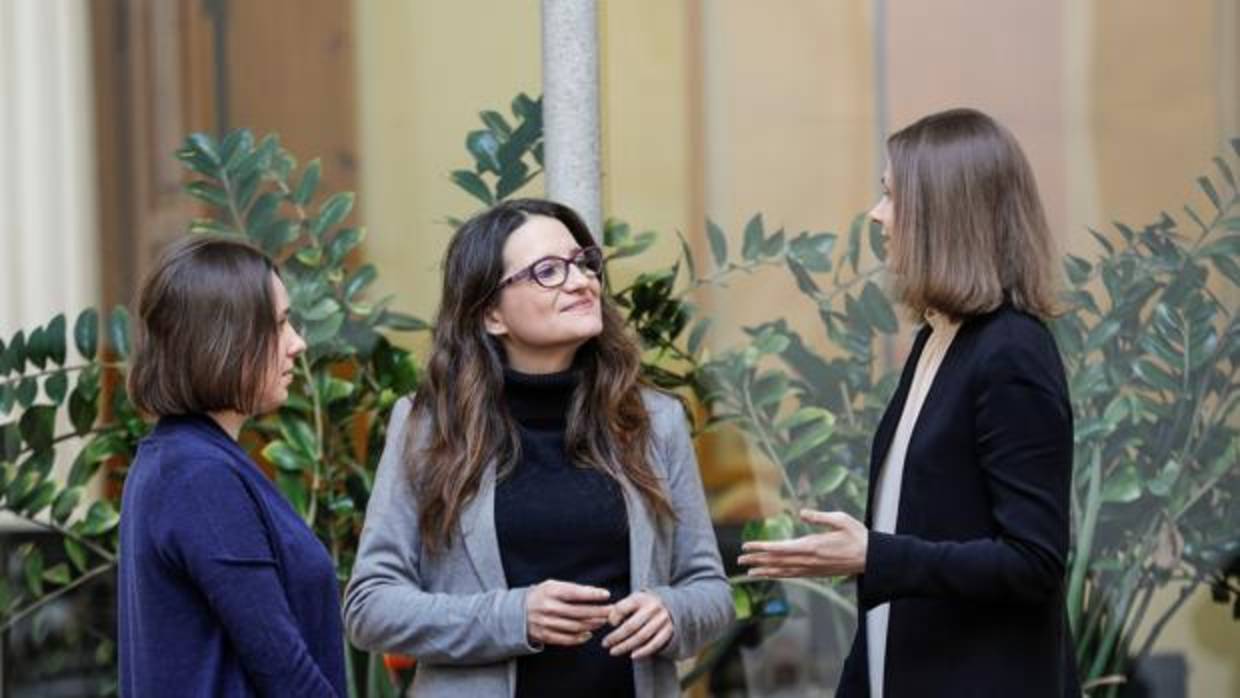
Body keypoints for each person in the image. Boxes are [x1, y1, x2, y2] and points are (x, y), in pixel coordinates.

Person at [738, 108, 1080, 697]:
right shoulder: (936, 338)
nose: (877, 216)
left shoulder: (1011, 351)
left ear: (946, 215)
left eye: (893, 197)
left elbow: (1033, 563)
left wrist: (875, 554)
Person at [343, 198, 733, 697]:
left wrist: (673, 612)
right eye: (548, 271)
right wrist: (515, 617)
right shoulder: (428, 425)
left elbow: (710, 591)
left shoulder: (655, 420)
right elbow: (371, 608)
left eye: (582, 262)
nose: (580, 281)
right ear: (491, 316)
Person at [118, 236, 345, 697]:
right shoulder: (198, 476)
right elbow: (284, 669)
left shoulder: (182, 462)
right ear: (223, 339)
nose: (298, 344)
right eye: (280, 324)